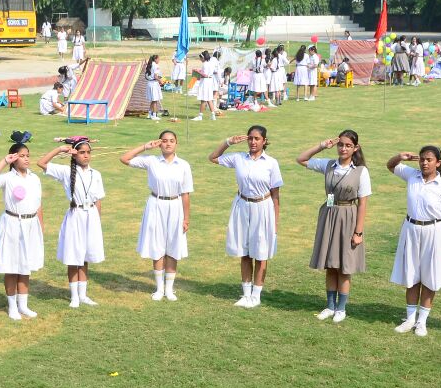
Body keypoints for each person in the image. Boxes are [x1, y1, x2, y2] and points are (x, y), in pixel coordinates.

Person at [296, 130, 372, 322]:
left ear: (355, 148)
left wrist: (358, 232)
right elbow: (301, 159)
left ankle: (341, 308)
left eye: (348, 145)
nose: (343, 149)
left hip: (348, 218)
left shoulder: (361, 171)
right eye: (341, 144)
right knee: (330, 264)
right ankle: (330, 306)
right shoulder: (329, 165)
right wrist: (322, 146)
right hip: (329, 216)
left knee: (344, 266)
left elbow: (363, 204)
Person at [385, 147, 441, 336]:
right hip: (411, 230)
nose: (424, 163)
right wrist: (400, 156)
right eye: (422, 159)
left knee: (429, 277)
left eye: (429, 160)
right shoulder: (412, 176)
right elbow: (390, 166)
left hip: (434, 233)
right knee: (411, 275)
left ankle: (422, 321)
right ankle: (410, 319)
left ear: (438, 163)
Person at [209, 126, 282, 309]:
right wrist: (228, 142)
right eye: (250, 138)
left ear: (264, 141)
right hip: (242, 205)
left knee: (261, 253)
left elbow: (275, 195)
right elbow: (213, 158)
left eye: (257, 139)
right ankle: (246, 294)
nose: (253, 142)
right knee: (245, 252)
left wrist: (275, 222)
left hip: (263, 207)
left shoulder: (271, 163)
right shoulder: (238, 158)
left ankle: (256, 295)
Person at [120, 131, 193, 301]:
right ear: (160, 143)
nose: (168, 144)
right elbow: (125, 159)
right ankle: (159, 288)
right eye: (165, 141)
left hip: (175, 206)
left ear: (176, 143)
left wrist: (186, 218)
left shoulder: (183, 165)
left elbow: (186, 194)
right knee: (157, 245)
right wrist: (145, 147)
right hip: (155, 204)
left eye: (172, 141)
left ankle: (169, 289)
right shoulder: (151, 161)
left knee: (173, 246)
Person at [38, 137, 105, 307]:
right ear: (74, 155)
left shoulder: (96, 174)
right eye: (82, 152)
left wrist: (97, 220)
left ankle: (83, 295)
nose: (86, 156)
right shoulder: (66, 172)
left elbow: (98, 200)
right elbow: (42, 163)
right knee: (74, 256)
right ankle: (74, 296)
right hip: (76, 216)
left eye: (88, 152)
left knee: (85, 256)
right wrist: (60, 149)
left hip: (91, 216)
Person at [0, 143, 45, 320]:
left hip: (31, 224)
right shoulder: (8, 178)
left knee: (25, 266)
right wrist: (4, 161)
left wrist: (40, 227)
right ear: (13, 158)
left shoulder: (34, 178)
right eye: (22, 155)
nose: (26, 159)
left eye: (27, 155)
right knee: (11, 266)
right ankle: (12, 306)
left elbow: (38, 204)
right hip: (12, 223)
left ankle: (23, 305)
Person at [192, 51, 216, 121]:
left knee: (203, 99)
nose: (200, 59)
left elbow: (205, 75)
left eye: (200, 58)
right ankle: (213, 115)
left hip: (205, 82)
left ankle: (200, 116)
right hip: (209, 81)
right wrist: (199, 71)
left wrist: (197, 71)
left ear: (203, 58)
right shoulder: (210, 63)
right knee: (209, 99)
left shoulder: (205, 64)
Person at [145, 54, 163, 120]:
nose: (159, 60)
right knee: (155, 100)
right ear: (155, 59)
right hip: (154, 84)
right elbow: (155, 76)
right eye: (158, 59)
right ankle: (154, 115)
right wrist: (160, 81)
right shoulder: (155, 65)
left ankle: (149, 114)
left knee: (153, 100)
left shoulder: (150, 64)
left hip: (149, 83)